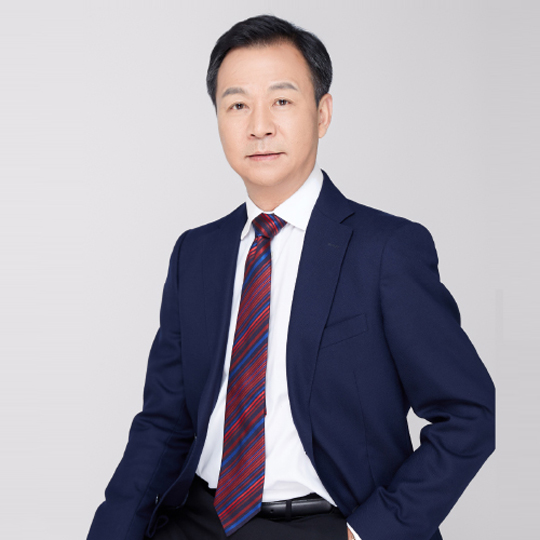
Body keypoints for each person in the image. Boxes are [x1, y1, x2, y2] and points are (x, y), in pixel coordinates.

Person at [87, 14, 495, 540]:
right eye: (237, 105)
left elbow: (468, 414)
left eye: (281, 101)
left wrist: (371, 531)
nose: (259, 126)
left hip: (324, 523)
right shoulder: (197, 254)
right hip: (197, 520)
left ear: (322, 113)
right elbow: (165, 423)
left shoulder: (386, 250)